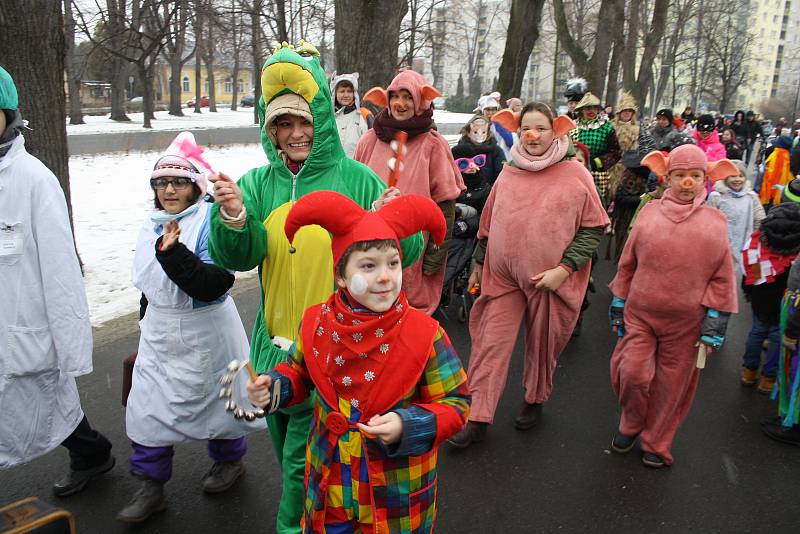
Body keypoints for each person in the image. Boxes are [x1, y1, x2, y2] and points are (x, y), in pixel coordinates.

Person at [208, 42, 423, 534]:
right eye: (284, 124)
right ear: (270, 129)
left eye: (304, 121)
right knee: (293, 453)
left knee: (301, 469)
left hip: (338, 352)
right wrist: (235, 215)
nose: (297, 133)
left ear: (323, 118)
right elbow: (237, 259)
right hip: (274, 347)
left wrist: (396, 218)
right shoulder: (257, 184)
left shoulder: (357, 180)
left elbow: (402, 259)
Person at [247, 190, 470, 533]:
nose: (385, 276)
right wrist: (273, 386)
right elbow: (298, 373)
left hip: (394, 498)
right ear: (340, 275)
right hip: (330, 488)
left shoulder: (426, 335)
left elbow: (456, 404)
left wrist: (407, 425)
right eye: (368, 265)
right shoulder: (316, 324)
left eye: (392, 263)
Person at [118, 132, 262, 523]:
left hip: (208, 330)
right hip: (161, 333)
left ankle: (229, 462)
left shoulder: (211, 220)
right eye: (161, 182)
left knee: (224, 404)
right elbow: (147, 284)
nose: (168, 190)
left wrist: (174, 255)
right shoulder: (151, 224)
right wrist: (146, 322)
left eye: (178, 181)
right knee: (147, 407)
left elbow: (214, 283)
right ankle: (150, 485)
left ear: (194, 185)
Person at [449, 103, 609, 447]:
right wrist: (478, 263)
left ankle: (535, 398)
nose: (533, 136)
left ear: (557, 130)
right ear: (518, 132)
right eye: (526, 129)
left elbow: (594, 228)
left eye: (541, 128)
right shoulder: (509, 171)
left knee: (543, 343)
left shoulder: (575, 174)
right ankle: (477, 415)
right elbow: (488, 227)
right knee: (489, 342)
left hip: (549, 278)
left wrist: (563, 270)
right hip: (502, 273)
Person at [0, 66, 114, 493]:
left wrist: (71, 348)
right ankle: (91, 451)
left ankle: (91, 452)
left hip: (25, 326)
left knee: (47, 401)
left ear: (8, 115)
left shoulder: (34, 181)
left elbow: (62, 272)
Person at [608, 145, 738, 468]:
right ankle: (631, 422)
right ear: (666, 177)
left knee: (670, 386)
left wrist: (714, 324)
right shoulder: (649, 212)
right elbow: (628, 261)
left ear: (707, 179)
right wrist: (618, 300)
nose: (687, 183)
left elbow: (722, 278)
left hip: (686, 325)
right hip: (641, 314)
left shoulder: (715, 222)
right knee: (633, 373)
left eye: (695, 176)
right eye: (680, 175)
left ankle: (656, 441)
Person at [356, 69, 464, 316]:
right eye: (395, 96)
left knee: (408, 324)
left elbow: (445, 207)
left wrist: (435, 256)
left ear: (419, 101)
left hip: (414, 255)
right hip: (367, 250)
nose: (400, 104)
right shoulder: (369, 140)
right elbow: (355, 193)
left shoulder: (433, 145)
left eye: (408, 97)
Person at [738, 194, 800, 395]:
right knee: (776, 337)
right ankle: (768, 377)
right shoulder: (796, 251)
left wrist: (749, 291)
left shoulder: (757, 243)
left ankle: (749, 370)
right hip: (784, 299)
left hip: (761, 296)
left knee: (756, 332)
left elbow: (749, 271)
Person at [441, 138, 493, 300]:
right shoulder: (446, 184)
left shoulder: (484, 188)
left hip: (469, 235)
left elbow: (486, 217)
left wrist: (467, 226)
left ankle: (443, 286)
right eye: (463, 164)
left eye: (476, 161)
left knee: (457, 250)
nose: (471, 167)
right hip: (446, 230)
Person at [763, 249, 800, 445]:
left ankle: (795, 426)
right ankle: (789, 417)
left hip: (797, 319)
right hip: (794, 310)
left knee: (797, 375)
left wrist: (793, 331)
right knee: (790, 371)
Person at [707, 160, 765, 277]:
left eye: (741, 176)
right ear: (725, 177)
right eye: (732, 176)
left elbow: (760, 218)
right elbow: (708, 220)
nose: (737, 180)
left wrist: (756, 238)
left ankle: (750, 291)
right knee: (724, 275)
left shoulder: (751, 196)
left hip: (747, 242)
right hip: (723, 245)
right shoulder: (717, 196)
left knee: (753, 275)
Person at [570, 91, 622, 205]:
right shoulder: (572, 126)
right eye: (588, 108)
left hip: (598, 173)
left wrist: (597, 162)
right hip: (575, 172)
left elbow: (616, 152)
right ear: (581, 110)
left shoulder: (606, 127)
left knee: (596, 203)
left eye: (594, 108)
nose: (591, 111)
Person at [455, 114, 505, 186]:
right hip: (464, 193)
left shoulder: (496, 151)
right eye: (475, 132)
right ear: (468, 132)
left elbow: (501, 175)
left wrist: (490, 192)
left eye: (483, 132)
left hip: (489, 193)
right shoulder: (459, 151)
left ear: (488, 133)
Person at [330, 72, 372, 158]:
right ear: (335, 94)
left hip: (358, 168)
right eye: (342, 91)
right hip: (334, 169)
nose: (346, 95)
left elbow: (373, 144)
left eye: (349, 91)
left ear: (354, 94)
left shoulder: (364, 114)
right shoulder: (329, 117)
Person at [473, 91, 516, 160]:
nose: (490, 113)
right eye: (487, 110)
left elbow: (510, 142)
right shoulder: (477, 125)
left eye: (493, 110)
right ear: (483, 111)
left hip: (502, 159)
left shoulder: (501, 124)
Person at [759, 135, 794, 206]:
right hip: (782, 191)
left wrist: (769, 193)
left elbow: (772, 176)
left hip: (772, 192)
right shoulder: (788, 155)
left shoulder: (779, 155)